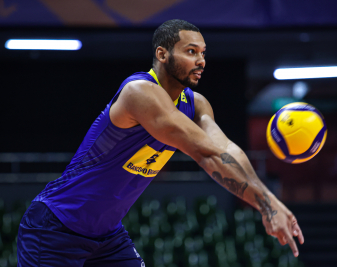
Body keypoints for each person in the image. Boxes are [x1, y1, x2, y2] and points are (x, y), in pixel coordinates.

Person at [17, 19, 304, 267]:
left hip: (106, 235)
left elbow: (224, 150)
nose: (201, 61)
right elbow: (203, 151)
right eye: (191, 52)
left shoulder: (198, 105)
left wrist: (271, 202)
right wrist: (266, 206)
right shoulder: (138, 92)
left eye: (203, 53)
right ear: (162, 54)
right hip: (55, 225)